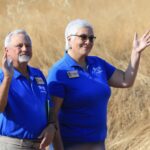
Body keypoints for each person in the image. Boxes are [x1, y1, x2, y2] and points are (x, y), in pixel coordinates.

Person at [47, 19, 150, 150]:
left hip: (98, 144)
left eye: (91, 38)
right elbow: (52, 116)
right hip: (71, 145)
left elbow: (126, 80)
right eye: (83, 37)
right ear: (69, 39)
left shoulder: (98, 63)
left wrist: (136, 53)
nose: (88, 42)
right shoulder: (59, 71)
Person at [0, 29, 56, 150]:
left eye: (28, 46)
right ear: (7, 51)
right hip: (14, 145)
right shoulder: (2, 76)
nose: (25, 49)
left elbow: (48, 105)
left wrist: (52, 126)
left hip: (38, 145)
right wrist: (7, 78)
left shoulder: (38, 74)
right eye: (19, 46)